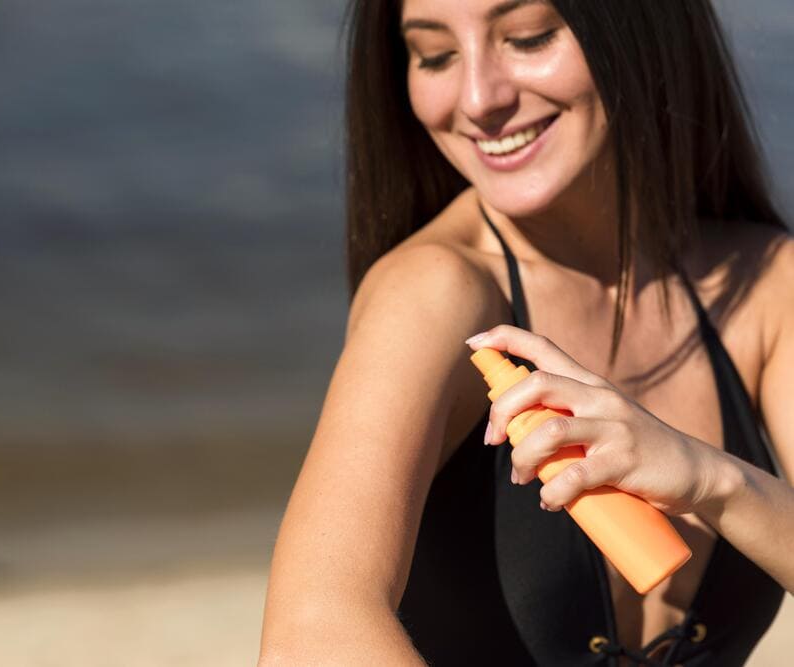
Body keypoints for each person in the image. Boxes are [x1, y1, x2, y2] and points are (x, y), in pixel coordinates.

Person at [259, 1, 793, 665]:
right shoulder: (433, 293)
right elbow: (311, 631)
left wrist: (715, 480)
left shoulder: (764, 282)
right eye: (435, 55)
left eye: (528, 37)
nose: (479, 98)